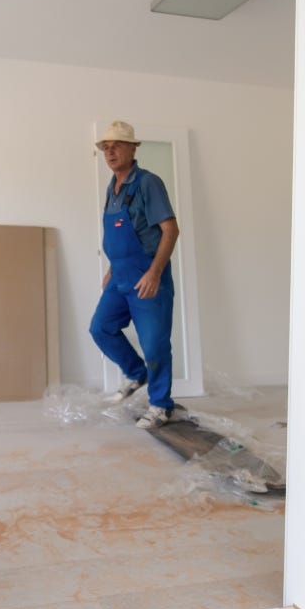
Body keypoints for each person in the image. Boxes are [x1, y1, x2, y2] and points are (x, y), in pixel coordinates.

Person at [89, 120, 182, 429]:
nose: (110, 151)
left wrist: (155, 273)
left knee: (155, 343)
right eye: (105, 147)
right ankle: (136, 373)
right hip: (120, 276)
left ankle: (160, 405)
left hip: (146, 275)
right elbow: (123, 234)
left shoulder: (147, 183)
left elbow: (170, 230)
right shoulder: (112, 187)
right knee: (101, 328)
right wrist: (112, 269)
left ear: (132, 148)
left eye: (116, 145)